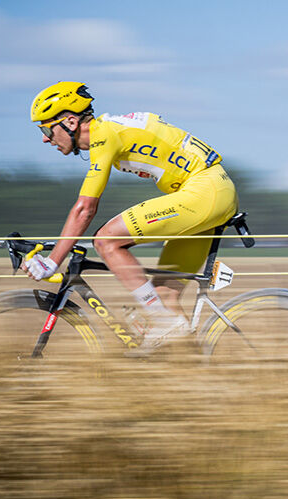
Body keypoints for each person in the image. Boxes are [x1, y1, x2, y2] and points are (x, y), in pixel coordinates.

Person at [24, 81, 238, 354]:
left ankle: (162, 324)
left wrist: (52, 261)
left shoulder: (104, 135)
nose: (44, 138)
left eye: (46, 129)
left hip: (205, 191)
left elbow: (85, 209)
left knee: (105, 240)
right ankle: (192, 368)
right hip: (214, 190)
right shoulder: (112, 130)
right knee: (165, 299)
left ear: (70, 121)